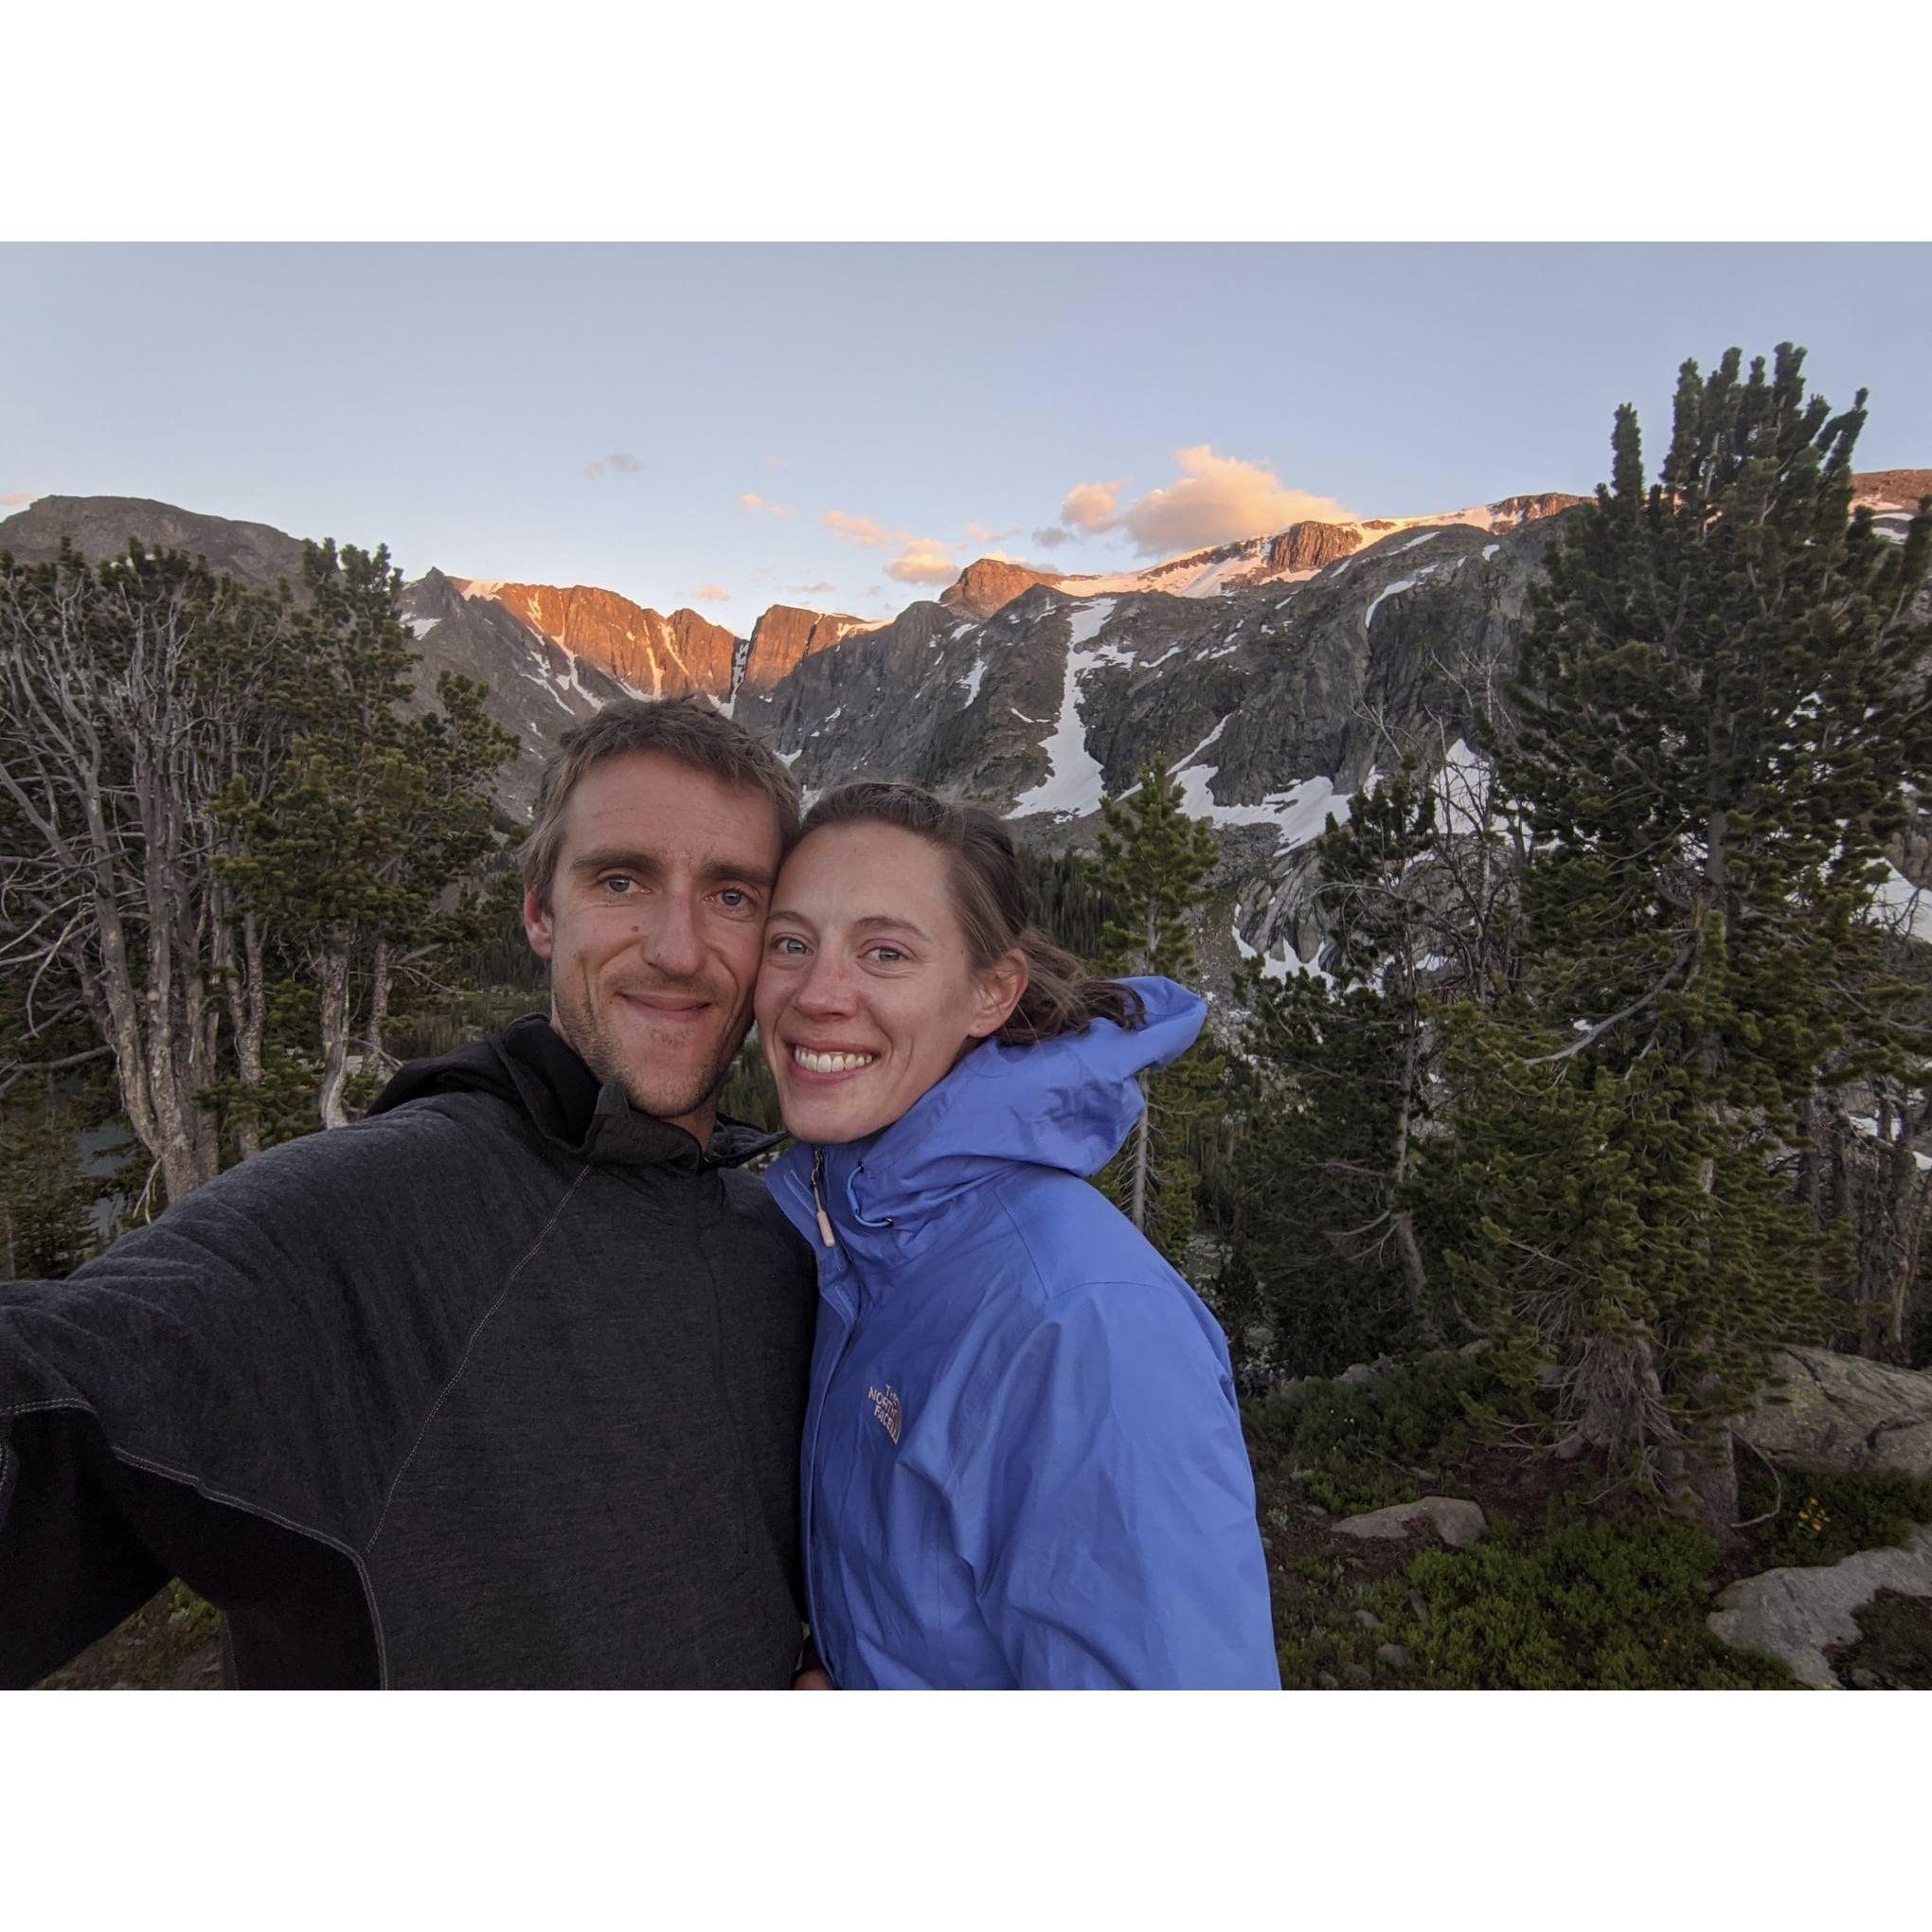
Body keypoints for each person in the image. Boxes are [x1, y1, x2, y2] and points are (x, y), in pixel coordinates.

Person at [0, 697, 822, 1690]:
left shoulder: (777, 1236)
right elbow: (64, 1394)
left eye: (733, 896)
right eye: (622, 879)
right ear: (538, 910)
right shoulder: (376, 1214)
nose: (679, 947)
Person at [755, 781, 1279, 1689]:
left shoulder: (1081, 1325)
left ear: (990, 993)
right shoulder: (863, 1230)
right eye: (790, 943)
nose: (818, 994)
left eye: (885, 953)